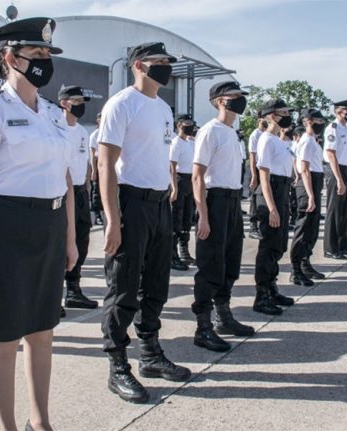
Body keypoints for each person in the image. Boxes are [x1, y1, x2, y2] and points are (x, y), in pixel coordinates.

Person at [0, 17, 78, 431]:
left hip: (48, 227)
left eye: (48, 54)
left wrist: (70, 238)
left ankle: (40, 422)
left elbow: (65, 178)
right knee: (5, 338)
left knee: (43, 332)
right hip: (5, 229)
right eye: (37, 54)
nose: (45, 61)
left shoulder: (52, 113)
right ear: (10, 57)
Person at [97, 42, 191, 404]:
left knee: (156, 285)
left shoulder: (164, 108)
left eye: (168, 62)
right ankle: (118, 365)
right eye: (161, 62)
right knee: (122, 289)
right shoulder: (122, 103)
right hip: (130, 203)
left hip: (158, 205)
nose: (166, 68)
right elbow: (106, 164)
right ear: (140, 65)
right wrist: (112, 219)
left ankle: (150, 353)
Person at [191, 81, 254, 352]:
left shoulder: (233, 132)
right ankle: (202, 327)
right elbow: (197, 176)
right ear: (220, 101)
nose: (240, 101)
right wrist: (203, 215)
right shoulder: (210, 131)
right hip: (214, 200)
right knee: (210, 265)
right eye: (235, 97)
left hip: (231, 202)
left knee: (230, 262)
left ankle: (223, 316)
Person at [253, 99, 296, 316]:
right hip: (271, 195)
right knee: (268, 246)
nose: (288, 115)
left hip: (282, 193)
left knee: (278, 246)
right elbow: (264, 176)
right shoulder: (266, 140)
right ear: (271, 116)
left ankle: (272, 288)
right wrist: (271, 208)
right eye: (283, 112)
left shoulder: (280, 141)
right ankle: (261, 296)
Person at [57, 84, 98, 311]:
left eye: (83, 102)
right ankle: (54, 295)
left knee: (82, 241)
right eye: (77, 102)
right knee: (60, 243)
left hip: (80, 193)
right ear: (64, 103)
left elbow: (86, 165)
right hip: (61, 194)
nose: (81, 106)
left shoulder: (82, 132)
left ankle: (73, 290)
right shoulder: (56, 128)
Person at [289, 109, 326, 286]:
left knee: (312, 229)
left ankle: (305, 263)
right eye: (319, 120)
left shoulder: (313, 141)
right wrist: (310, 195)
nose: (322, 124)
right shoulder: (305, 141)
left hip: (314, 182)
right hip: (307, 186)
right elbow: (303, 168)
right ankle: (296, 270)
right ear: (309, 121)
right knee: (303, 229)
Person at [323, 99, 347, 260]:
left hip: (344, 169)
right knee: (334, 210)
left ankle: (342, 246)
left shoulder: (344, 129)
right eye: (345, 111)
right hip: (335, 170)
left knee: (344, 211)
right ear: (337, 111)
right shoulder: (333, 128)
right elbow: (330, 153)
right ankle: (330, 247)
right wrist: (339, 179)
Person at [169, 114, 196, 271]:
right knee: (176, 219)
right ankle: (173, 255)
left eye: (191, 123)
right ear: (179, 125)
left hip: (190, 181)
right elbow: (172, 166)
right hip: (179, 180)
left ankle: (184, 252)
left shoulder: (190, 143)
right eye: (187, 123)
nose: (190, 126)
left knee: (187, 218)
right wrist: (174, 188)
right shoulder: (176, 142)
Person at [247, 114, 266, 239]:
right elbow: (252, 156)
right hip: (257, 169)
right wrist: (254, 175)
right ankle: (253, 227)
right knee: (254, 198)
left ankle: (261, 224)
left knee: (263, 198)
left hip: (265, 169)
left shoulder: (267, 134)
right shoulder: (256, 135)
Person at [88, 112, 104, 225]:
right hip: (98, 163)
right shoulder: (95, 135)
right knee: (96, 190)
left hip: (108, 162)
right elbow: (92, 154)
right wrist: (94, 170)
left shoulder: (108, 132)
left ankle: (104, 212)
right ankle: (97, 214)